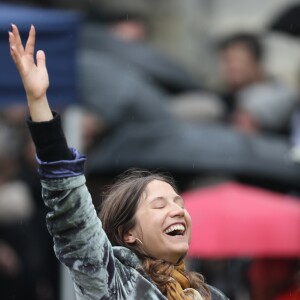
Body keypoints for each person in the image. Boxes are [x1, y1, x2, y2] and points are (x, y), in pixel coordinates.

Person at [8, 24, 228, 300]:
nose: (177, 211)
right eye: (159, 205)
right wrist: (38, 101)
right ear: (128, 234)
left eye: (179, 203)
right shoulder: (113, 282)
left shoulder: (212, 296)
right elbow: (71, 208)